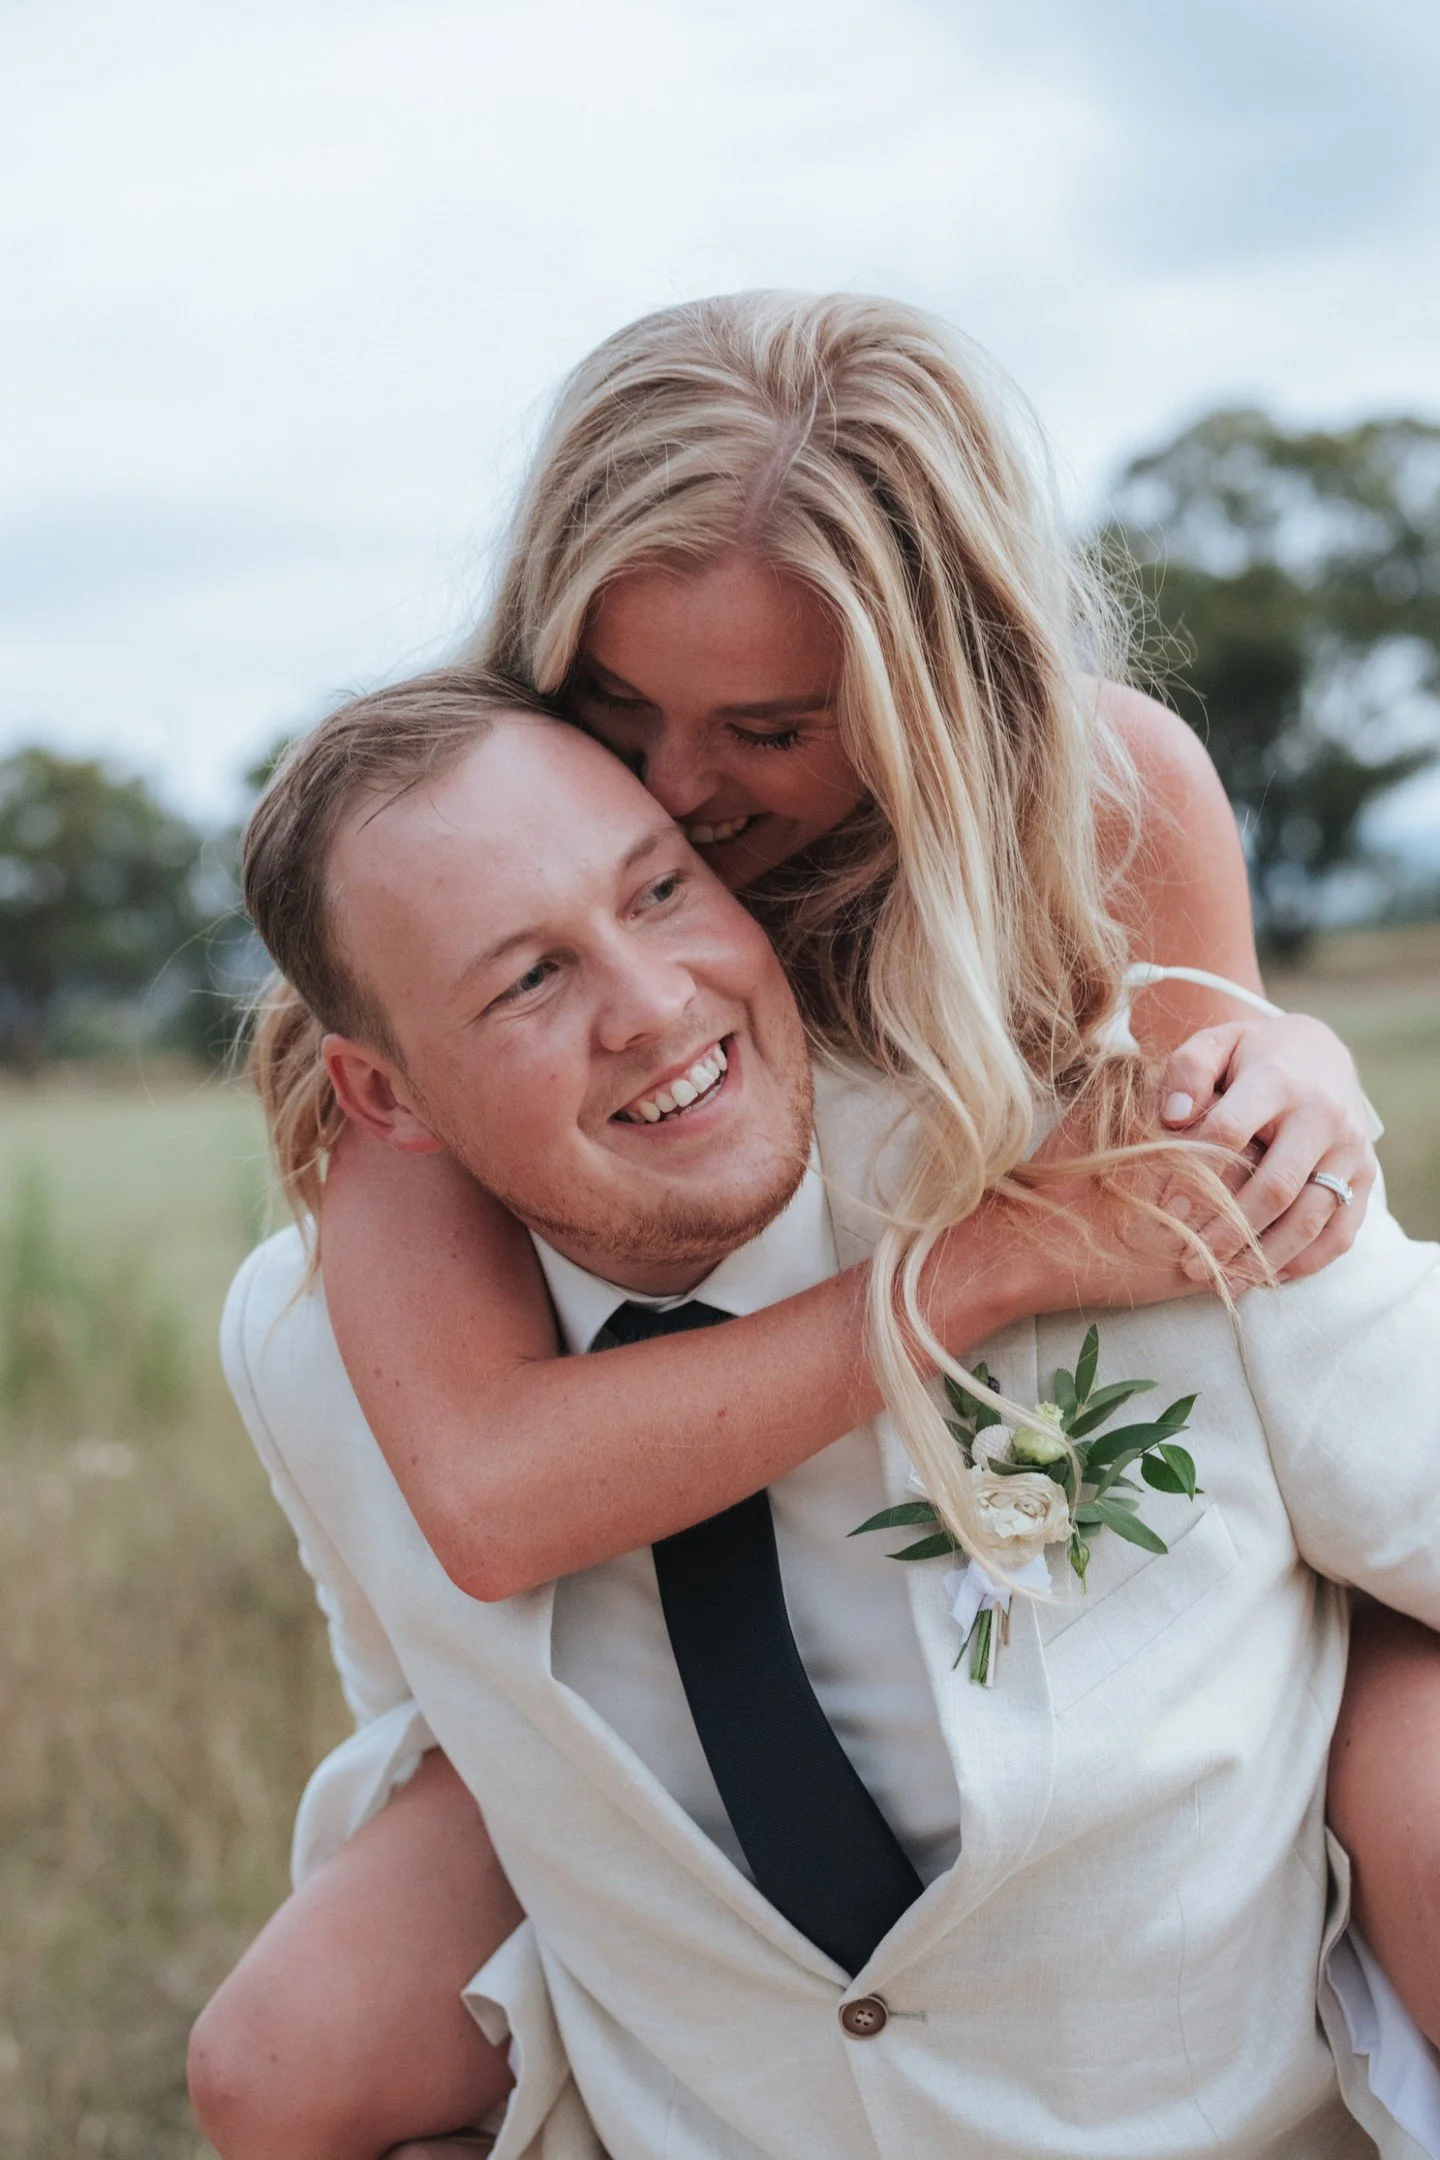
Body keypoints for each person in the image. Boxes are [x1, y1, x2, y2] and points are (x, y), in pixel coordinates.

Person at [199, 682, 1440, 2160]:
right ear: (383, 1096)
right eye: (528, 980)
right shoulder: (313, 1353)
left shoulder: (1107, 1152)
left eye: (661, 890)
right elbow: (446, 1731)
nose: (654, 1005)